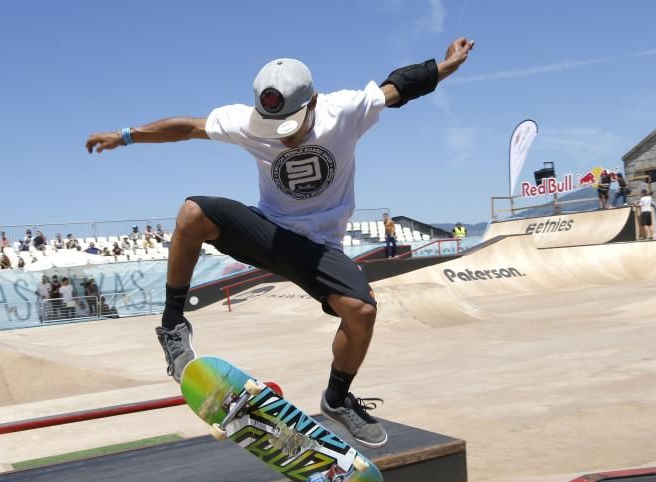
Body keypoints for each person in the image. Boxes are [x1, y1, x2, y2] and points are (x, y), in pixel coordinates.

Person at [86, 37, 475, 448]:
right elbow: (187, 127)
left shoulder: (344, 110)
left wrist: (448, 64)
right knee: (192, 213)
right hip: (267, 232)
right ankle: (172, 327)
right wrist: (125, 135)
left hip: (321, 247)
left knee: (361, 311)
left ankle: (337, 400)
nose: (283, 139)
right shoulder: (245, 121)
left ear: (314, 102)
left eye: (291, 129)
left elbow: (401, 86)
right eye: (274, 131)